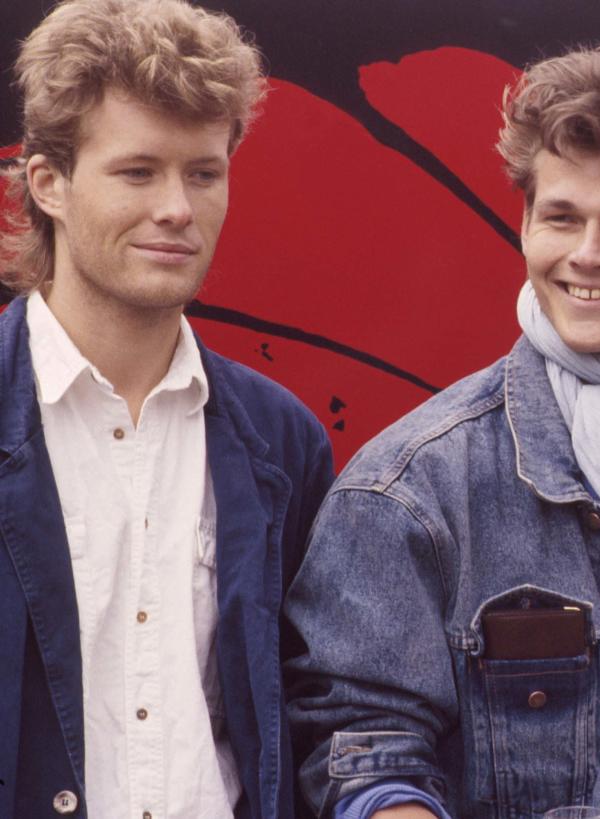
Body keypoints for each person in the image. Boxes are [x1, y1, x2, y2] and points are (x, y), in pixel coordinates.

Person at [285, 39, 600, 819]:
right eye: (561, 217)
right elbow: (360, 748)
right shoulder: (411, 485)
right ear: (526, 222)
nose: (587, 255)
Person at [0, 1, 335, 816]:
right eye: (138, 171)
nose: (179, 208)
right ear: (47, 182)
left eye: (203, 172)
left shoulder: (283, 438)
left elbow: (317, 710)